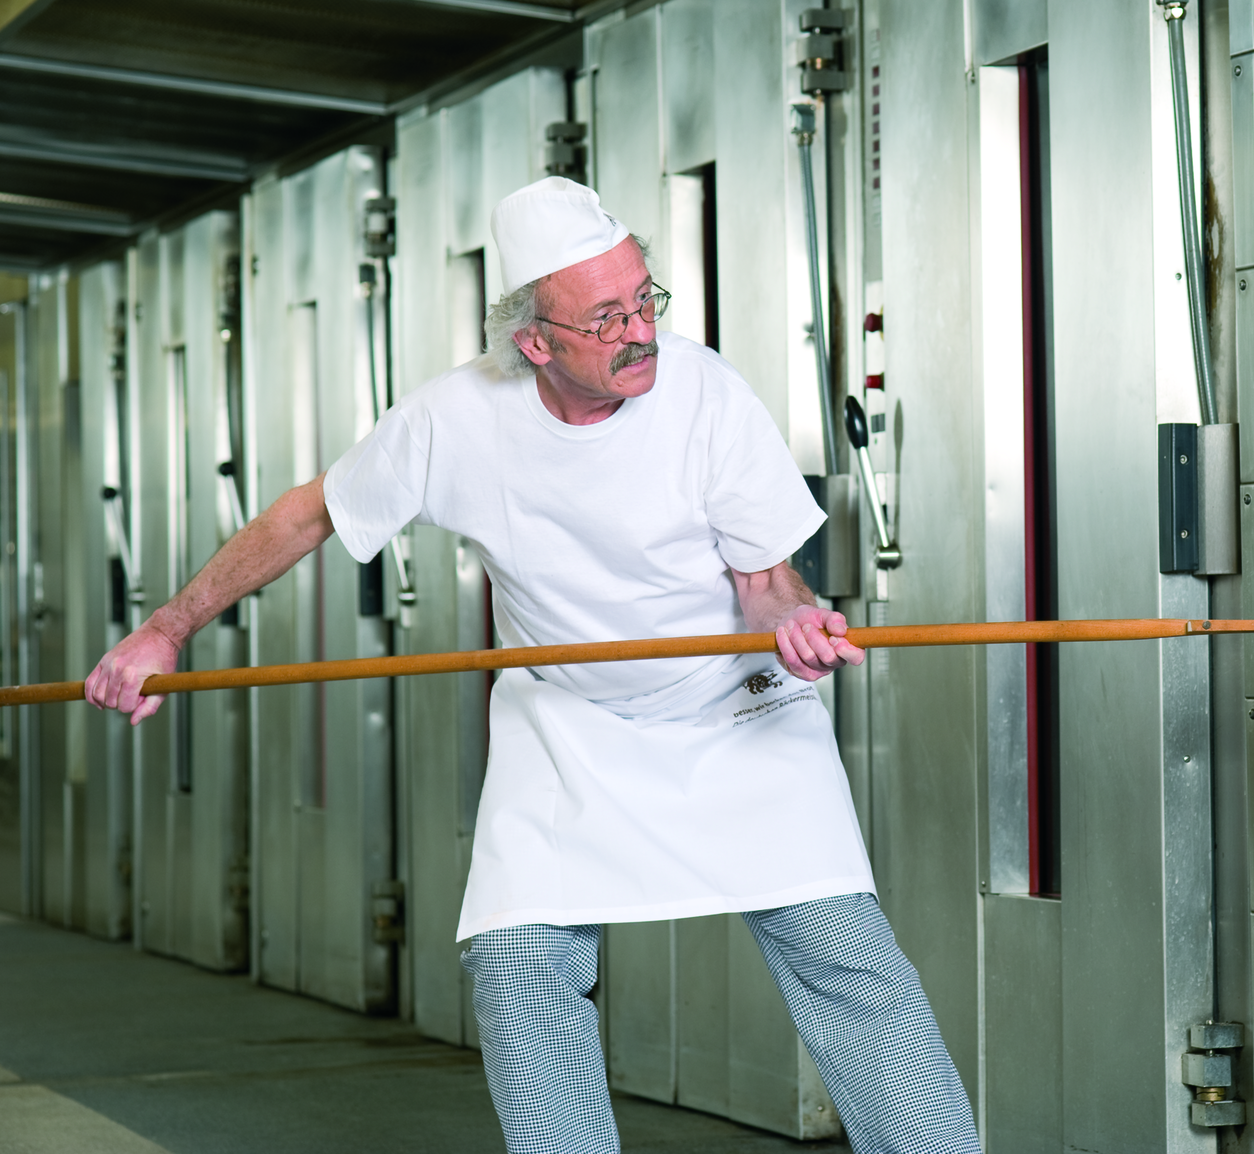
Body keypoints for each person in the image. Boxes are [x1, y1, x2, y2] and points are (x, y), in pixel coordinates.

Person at [85, 176, 981, 1154]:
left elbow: (766, 581)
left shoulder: (706, 391)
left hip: (737, 710)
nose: (640, 331)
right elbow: (308, 514)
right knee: (518, 965)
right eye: (607, 318)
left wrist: (796, 622)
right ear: (534, 342)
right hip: (569, 723)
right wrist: (166, 628)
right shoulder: (456, 418)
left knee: (848, 963)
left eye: (644, 298)